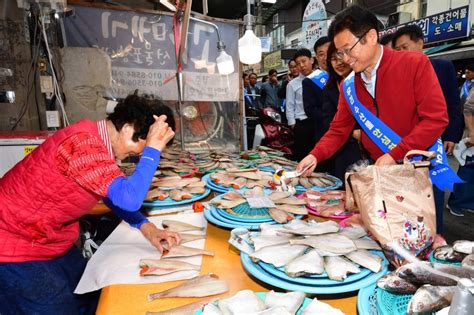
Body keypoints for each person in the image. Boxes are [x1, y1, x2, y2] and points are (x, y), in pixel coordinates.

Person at [0, 92, 181, 314]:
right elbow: (130, 198)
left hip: (47, 238)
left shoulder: (94, 140)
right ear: (127, 128)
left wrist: (147, 228)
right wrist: (153, 150)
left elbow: (109, 193)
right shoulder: (82, 143)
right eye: (140, 150)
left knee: (89, 293)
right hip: (12, 243)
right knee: (59, 308)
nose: (136, 156)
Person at [297, 5, 448, 194]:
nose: (345, 59)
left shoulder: (414, 64)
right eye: (340, 52)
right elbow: (338, 130)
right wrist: (315, 155)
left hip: (417, 171)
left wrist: (395, 155)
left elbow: (435, 120)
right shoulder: (349, 85)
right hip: (378, 173)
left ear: (371, 37)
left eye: (348, 49)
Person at [392, 25, 464, 231]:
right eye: (397, 50)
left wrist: (452, 135)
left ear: (420, 43)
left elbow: (452, 102)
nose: (401, 53)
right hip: (406, 140)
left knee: (433, 191)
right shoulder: (396, 72)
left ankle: (436, 236)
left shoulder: (442, 67)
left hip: (434, 141)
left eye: (405, 47)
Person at [321, 42, 362, 181]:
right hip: (344, 148)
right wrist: (352, 132)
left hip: (372, 144)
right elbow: (328, 120)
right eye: (333, 59)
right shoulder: (330, 88)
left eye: (340, 57)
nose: (338, 63)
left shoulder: (363, 80)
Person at [447, 65, 474, 216]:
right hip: (471, 138)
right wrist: (472, 133)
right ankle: (455, 202)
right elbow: (468, 109)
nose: (466, 74)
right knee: (467, 170)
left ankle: (469, 202)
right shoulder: (468, 87)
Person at [302, 36, 331, 170]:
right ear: (316, 58)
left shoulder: (349, 76)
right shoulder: (310, 81)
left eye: (329, 51)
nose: (326, 57)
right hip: (324, 134)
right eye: (321, 54)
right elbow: (310, 110)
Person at [286, 49, 315, 161]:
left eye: (304, 61)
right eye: (298, 63)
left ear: (311, 60)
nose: (301, 65)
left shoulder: (321, 78)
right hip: (302, 125)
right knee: (302, 156)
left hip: (318, 123)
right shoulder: (292, 84)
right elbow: (289, 105)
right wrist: (293, 125)